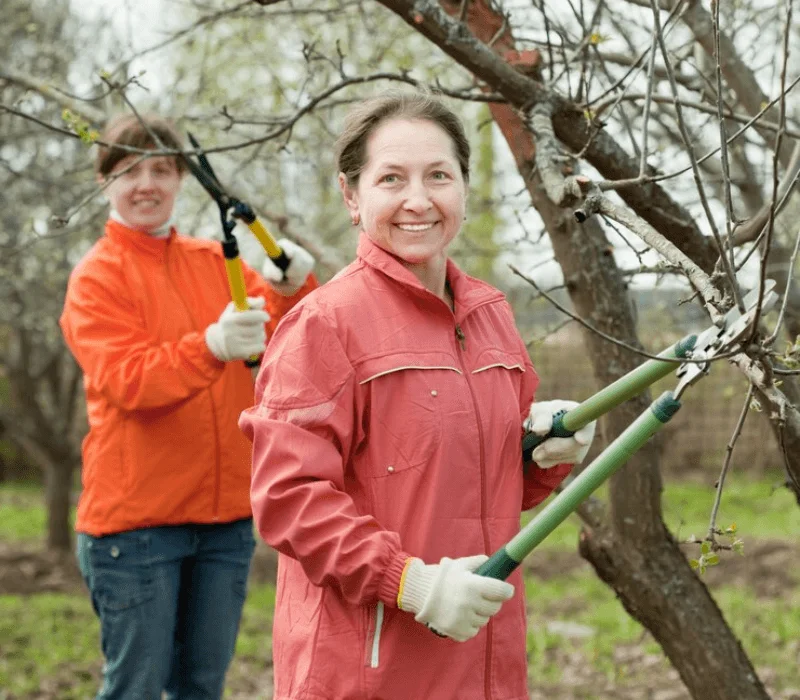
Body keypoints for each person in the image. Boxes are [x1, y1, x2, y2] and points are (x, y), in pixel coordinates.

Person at [238, 90, 596, 700]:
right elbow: (288, 500)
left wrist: (545, 453)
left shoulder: (490, 316)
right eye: (391, 179)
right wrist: (412, 584)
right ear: (353, 196)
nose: (418, 200)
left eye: (438, 175)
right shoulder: (323, 325)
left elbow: (485, 482)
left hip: (484, 659)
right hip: (370, 667)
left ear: (463, 187)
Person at [60, 112, 318, 700]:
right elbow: (127, 381)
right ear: (105, 183)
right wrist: (209, 347)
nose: (145, 184)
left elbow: (291, 337)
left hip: (224, 525)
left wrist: (292, 287)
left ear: (179, 179)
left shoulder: (213, 261)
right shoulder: (96, 277)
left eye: (160, 169)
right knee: (137, 689)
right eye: (128, 171)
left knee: (202, 686)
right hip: (136, 530)